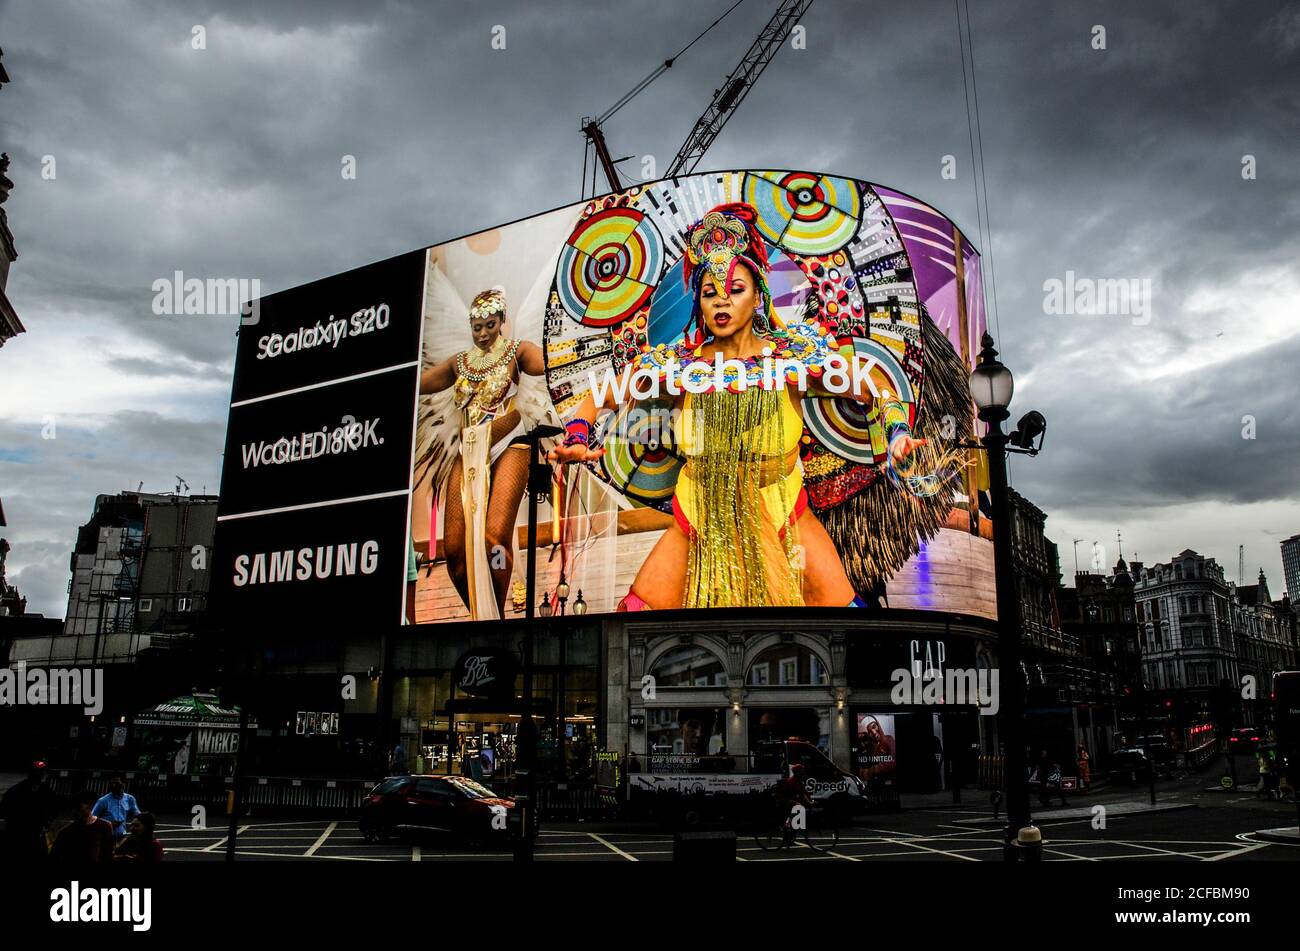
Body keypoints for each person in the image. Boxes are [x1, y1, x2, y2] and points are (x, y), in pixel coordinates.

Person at [550, 202, 934, 611]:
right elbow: (600, 393)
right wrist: (576, 434)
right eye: (709, 292)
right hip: (699, 518)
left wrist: (897, 435)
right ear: (698, 301)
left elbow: (873, 385)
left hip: (782, 511)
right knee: (635, 623)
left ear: (757, 297)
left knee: (845, 627)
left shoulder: (792, 358)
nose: (721, 303)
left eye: (735, 290)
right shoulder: (679, 364)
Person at [417, 288, 553, 620]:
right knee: (453, 552)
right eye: (476, 327)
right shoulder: (458, 363)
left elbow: (549, 361)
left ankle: (498, 621)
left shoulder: (516, 352)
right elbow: (417, 383)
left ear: (502, 321)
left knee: (494, 538)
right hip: (469, 450)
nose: (482, 334)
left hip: (509, 444)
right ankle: (482, 616)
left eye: (489, 325)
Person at [0, 761, 61, 864]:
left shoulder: (46, 792)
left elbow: (3, 811)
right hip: (20, 837)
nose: (41, 775)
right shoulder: (45, 792)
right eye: (39, 772)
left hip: (26, 837)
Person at [50, 789, 115, 866]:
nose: (74, 812)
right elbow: (54, 857)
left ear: (89, 806)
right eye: (73, 808)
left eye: (78, 808)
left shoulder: (105, 826)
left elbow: (108, 855)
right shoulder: (66, 832)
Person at [92, 774, 140, 841]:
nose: (113, 785)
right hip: (105, 837)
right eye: (112, 783)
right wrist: (107, 825)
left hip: (122, 836)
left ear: (123, 784)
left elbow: (138, 815)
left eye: (117, 783)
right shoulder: (103, 801)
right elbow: (92, 818)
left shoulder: (130, 799)